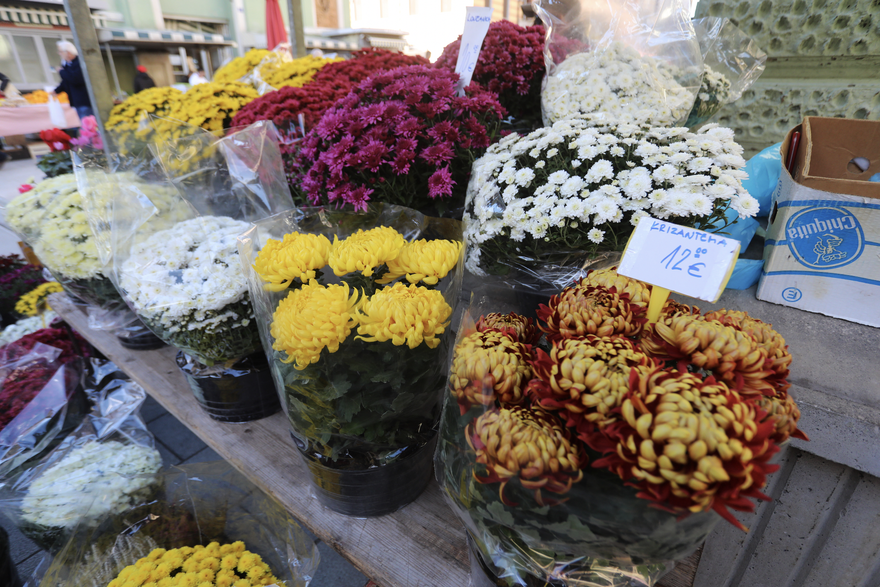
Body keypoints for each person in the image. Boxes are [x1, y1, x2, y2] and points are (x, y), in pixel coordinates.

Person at [54, 41, 93, 120]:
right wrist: (56, 91)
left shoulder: (79, 63)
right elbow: (66, 81)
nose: (59, 54)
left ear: (68, 52)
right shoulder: (67, 64)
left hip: (84, 100)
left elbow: (75, 79)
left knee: (89, 125)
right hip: (77, 101)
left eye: (60, 52)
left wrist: (61, 71)